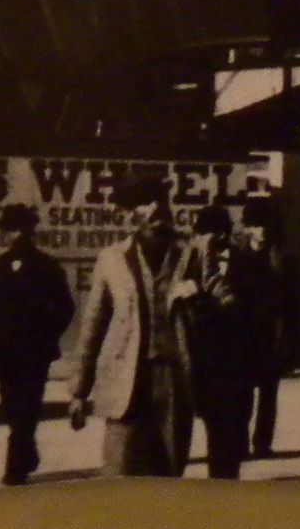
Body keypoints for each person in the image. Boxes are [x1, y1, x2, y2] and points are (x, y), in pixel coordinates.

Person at [68, 175, 194, 477]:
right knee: (120, 467)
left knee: (169, 465)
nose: (158, 218)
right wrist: (78, 391)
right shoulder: (111, 260)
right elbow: (93, 326)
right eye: (149, 213)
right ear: (134, 219)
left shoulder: (189, 257)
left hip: (172, 376)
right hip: (126, 377)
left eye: (162, 211)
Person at [0, 203, 75, 486]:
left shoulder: (48, 266)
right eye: (12, 229)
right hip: (3, 351)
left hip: (35, 351)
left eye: (23, 228)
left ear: (32, 231)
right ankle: (27, 446)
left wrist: (46, 335)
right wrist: (1, 332)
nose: (17, 235)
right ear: (5, 233)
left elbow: (64, 307)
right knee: (11, 406)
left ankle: (15, 467)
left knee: (28, 406)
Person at [174, 204, 256, 479]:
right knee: (208, 421)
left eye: (215, 233)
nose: (210, 239)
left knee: (230, 430)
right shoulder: (186, 262)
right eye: (205, 234)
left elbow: (255, 306)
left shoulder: (246, 261)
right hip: (201, 355)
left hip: (237, 357)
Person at [237, 195, 286, 459]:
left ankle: (263, 444)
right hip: (245, 336)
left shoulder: (278, 259)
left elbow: (290, 301)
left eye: (265, 225)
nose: (262, 231)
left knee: (269, 395)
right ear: (247, 228)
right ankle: (241, 443)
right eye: (257, 225)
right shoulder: (237, 259)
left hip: (270, 336)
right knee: (244, 395)